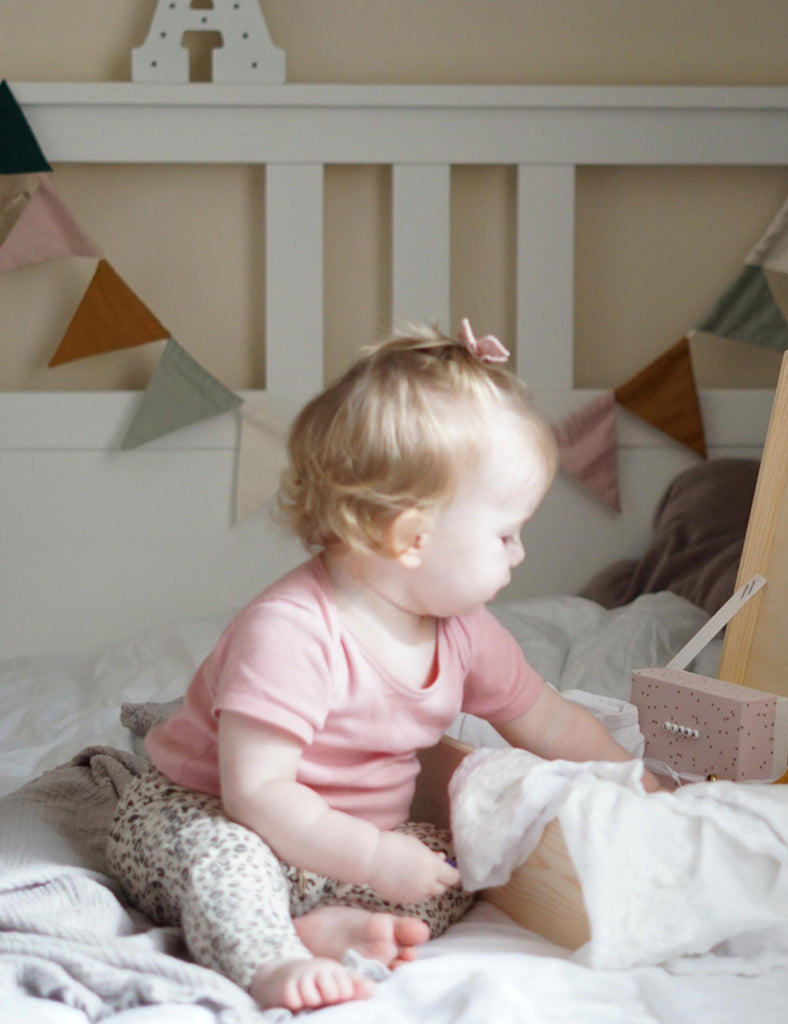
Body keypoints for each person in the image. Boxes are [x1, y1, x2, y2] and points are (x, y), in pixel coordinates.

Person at [107, 320, 658, 1012]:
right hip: (211, 814)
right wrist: (372, 860)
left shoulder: (465, 631)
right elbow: (256, 794)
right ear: (410, 538)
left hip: (341, 850)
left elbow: (546, 721)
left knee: (467, 860)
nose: (520, 554)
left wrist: (632, 780)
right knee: (227, 862)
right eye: (507, 533)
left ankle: (321, 927)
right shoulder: (291, 632)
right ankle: (269, 957)